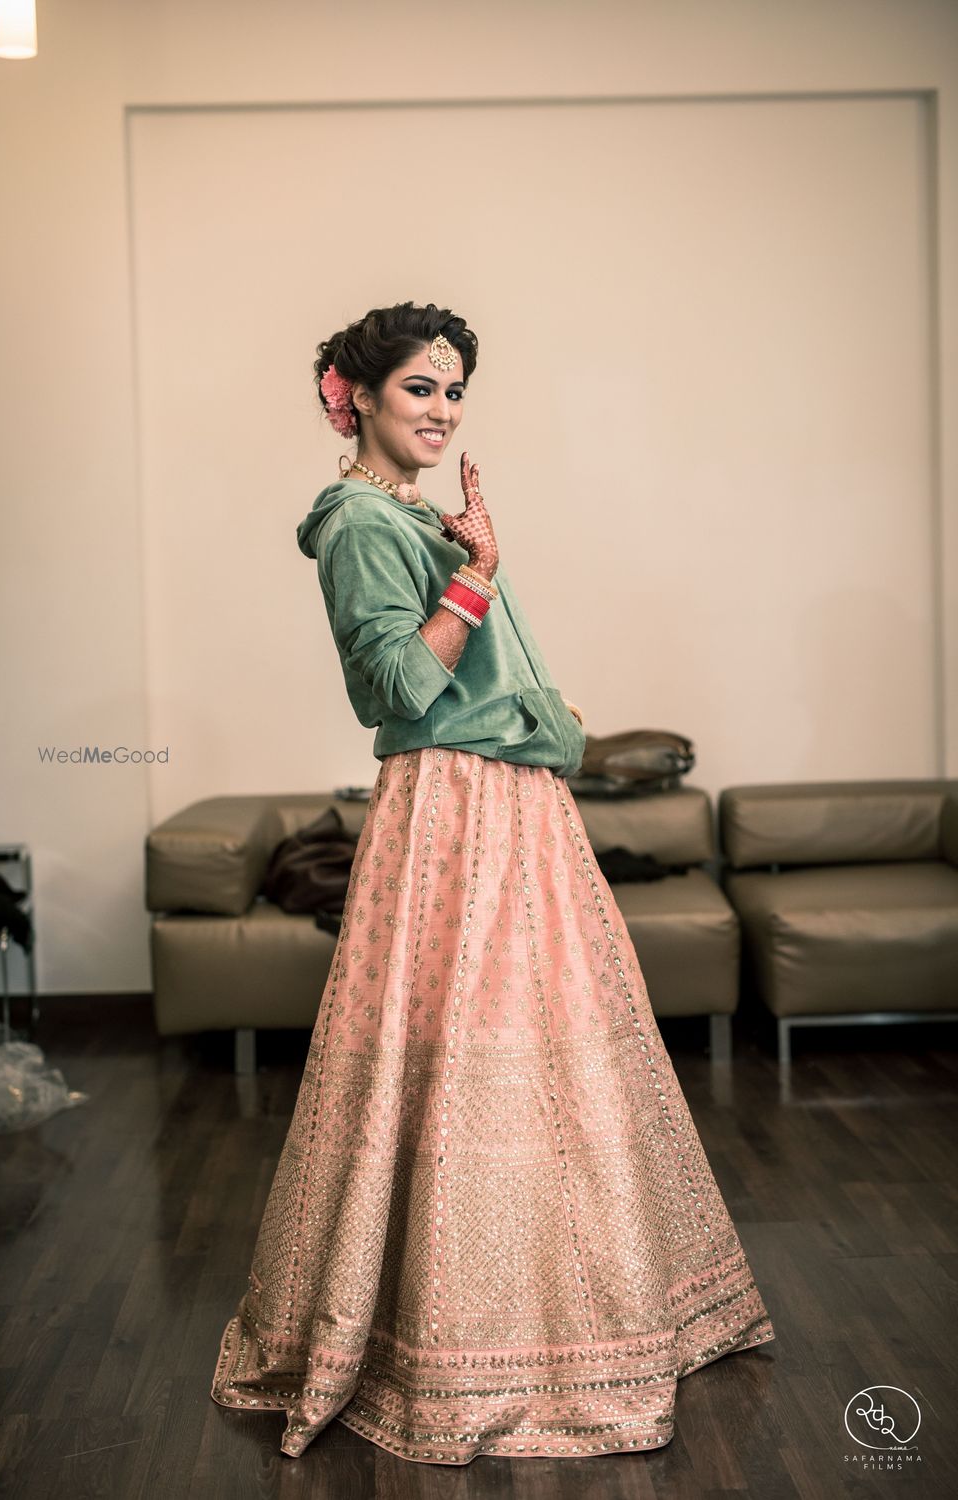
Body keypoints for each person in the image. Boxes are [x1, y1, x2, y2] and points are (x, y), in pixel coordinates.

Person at [210, 300, 775, 1464]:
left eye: (454, 389)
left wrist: (494, 610)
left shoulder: (413, 514)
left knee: (543, 1060)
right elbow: (401, 693)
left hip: (507, 800)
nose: (443, 409)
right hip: (456, 812)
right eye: (420, 387)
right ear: (353, 395)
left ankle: (559, 1317)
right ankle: (466, 1342)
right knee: (469, 1066)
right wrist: (480, 580)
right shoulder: (363, 522)